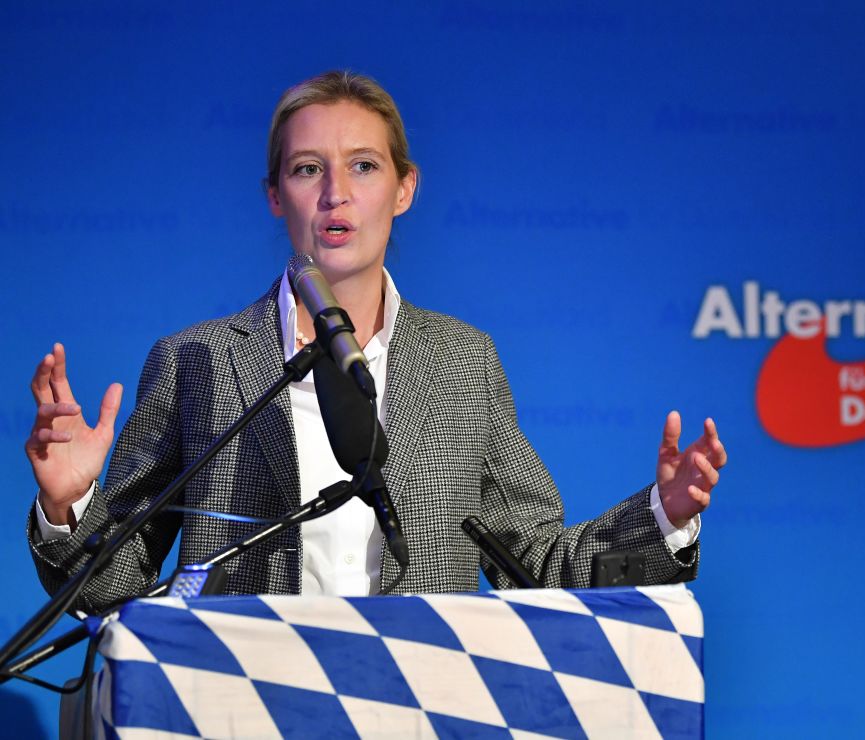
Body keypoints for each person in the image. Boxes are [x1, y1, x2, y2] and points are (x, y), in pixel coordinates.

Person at [25, 71, 727, 614]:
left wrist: (662, 517)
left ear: (403, 190)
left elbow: (535, 564)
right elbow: (108, 590)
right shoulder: (197, 361)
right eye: (307, 168)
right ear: (275, 195)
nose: (336, 192)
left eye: (363, 166)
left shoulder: (462, 363)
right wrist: (68, 508)